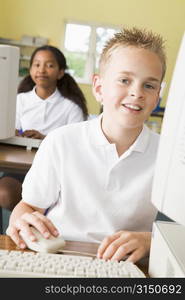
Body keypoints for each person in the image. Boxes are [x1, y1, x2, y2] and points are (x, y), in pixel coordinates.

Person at [6, 26, 166, 263]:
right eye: (124, 80)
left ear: (157, 98)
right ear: (99, 88)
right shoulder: (60, 142)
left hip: (127, 268)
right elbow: (28, 206)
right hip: (60, 258)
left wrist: (150, 241)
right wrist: (21, 219)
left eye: (149, 85)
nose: (137, 93)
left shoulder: (169, 156)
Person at [0, 45, 88, 211]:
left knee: (59, 202)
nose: (42, 70)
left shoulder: (71, 107)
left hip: (55, 170)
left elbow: (77, 144)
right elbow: (10, 131)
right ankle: (26, 219)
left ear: (60, 72)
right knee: (4, 193)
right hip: (20, 165)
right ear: (31, 69)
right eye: (37, 64)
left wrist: (46, 138)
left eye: (49, 65)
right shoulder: (19, 100)